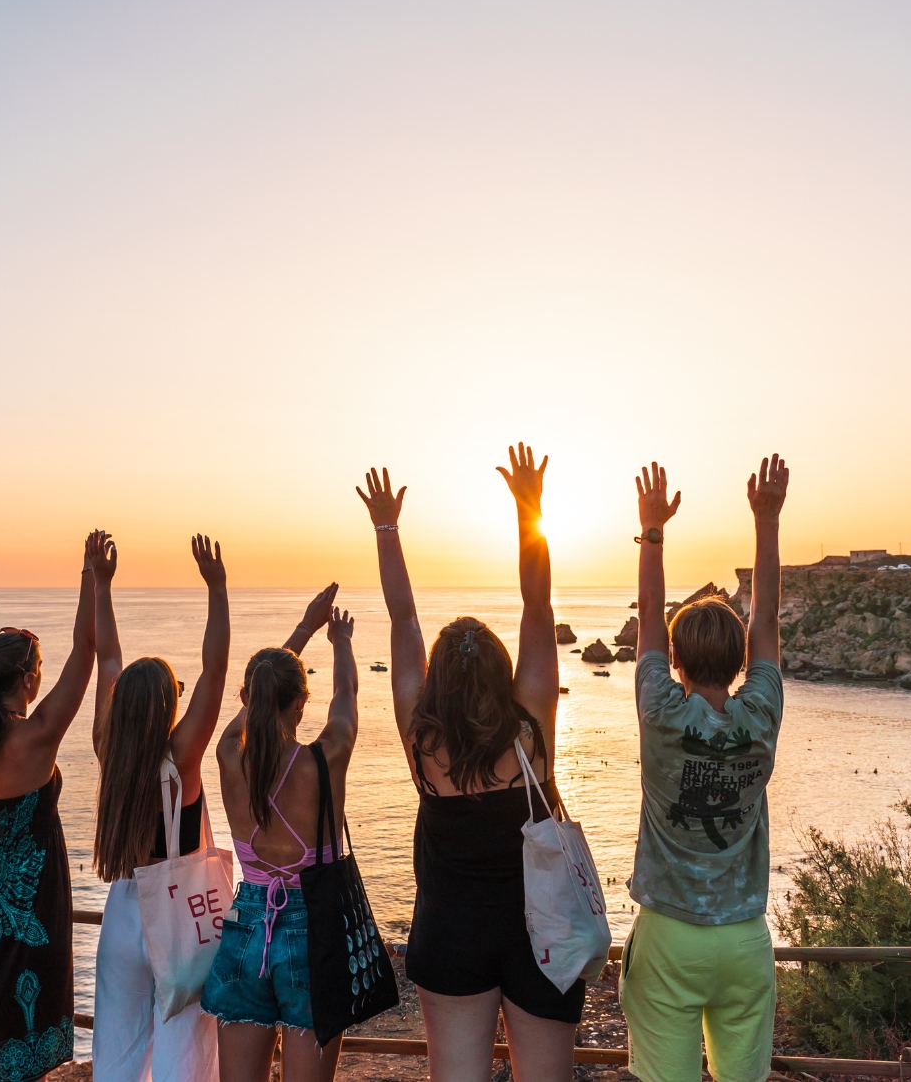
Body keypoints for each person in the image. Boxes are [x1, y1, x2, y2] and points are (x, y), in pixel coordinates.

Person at [360, 446, 582, 1082]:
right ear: (501, 673)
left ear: (438, 686)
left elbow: (402, 617)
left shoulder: (421, 743)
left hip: (450, 934)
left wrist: (386, 527)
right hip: (541, 936)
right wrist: (528, 507)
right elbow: (537, 606)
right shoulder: (530, 733)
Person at [619, 457, 788, 1082]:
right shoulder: (761, 713)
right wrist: (766, 520)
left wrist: (652, 530)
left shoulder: (661, 714)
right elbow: (766, 619)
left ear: (677, 662)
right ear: (742, 661)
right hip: (744, 938)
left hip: (669, 937)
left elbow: (648, 631)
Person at [0, 540, 97, 1082]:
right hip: (32, 902)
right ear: (29, 679)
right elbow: (87, 652)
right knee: (28, 1043)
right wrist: (91, 577)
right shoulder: (39, 736)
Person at [90, 532, 231, 1082]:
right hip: (176, 914)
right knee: (186, 1055)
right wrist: (217, 588)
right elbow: (215, 670)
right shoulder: (183, 758)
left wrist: (102, 584)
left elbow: (109, 657)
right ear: (170, 704)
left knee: (118, 1053)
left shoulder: (109, 749)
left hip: (125, 912)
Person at [202, 596, 357, 1082]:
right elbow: (347, 696)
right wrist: (341, 642)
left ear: (247, 699)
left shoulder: (230, 756)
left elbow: (259, 700)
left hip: (248, 927)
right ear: (301, 702)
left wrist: (303, 630)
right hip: (314, 931)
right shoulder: (326, 758)